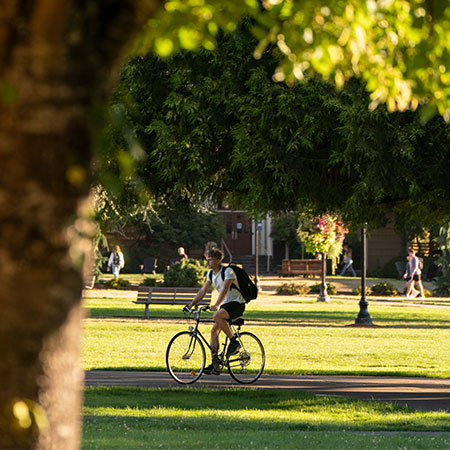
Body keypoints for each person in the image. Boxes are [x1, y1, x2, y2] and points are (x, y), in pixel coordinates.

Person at [188, 247, 245, 375]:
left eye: (210, 260)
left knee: (217, 316)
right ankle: (215, 364)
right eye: (206, 260)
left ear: (218, 260)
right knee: (214, 331)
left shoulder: (228, 271)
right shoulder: (210, 274)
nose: (207, 262)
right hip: (226, 305)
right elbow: (203, 291)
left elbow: (225, 288)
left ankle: (234, 342)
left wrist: (216, 304)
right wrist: (191, 305)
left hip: (237, 304)